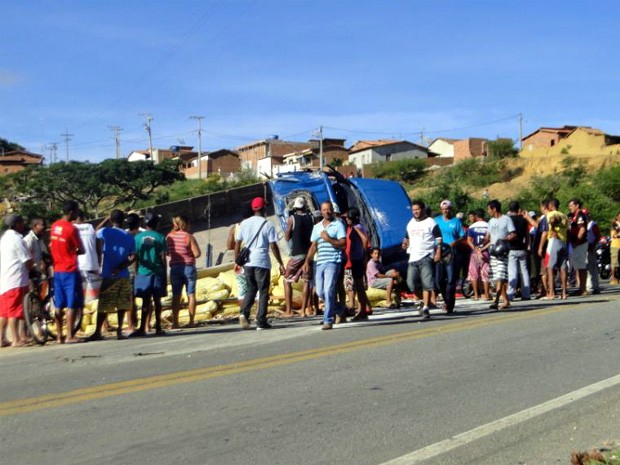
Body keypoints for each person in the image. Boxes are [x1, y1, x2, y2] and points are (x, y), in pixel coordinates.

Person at [235, 197, 285, 330]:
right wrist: (280, 262)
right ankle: (261, 320)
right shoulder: (268, 224)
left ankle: (244, 313)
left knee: (251, 288)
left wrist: (237, 261)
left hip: (248, 262)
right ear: (263, 208)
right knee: (263, 291)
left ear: (253, 208)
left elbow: (238, 243)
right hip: (261, 260)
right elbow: (273, 245)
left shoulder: (244, 223)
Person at [88, 210, 136, 340]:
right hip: (123, 274)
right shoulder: (129, 236)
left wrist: (105, 220)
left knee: (104, 305)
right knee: (121, 305)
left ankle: (98, 331)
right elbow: (132, 257)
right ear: (123, 220)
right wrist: (121, 267)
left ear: (111, 220)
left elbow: (93, 232)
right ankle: (119, 330)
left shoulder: (105, 231)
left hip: (108, 273)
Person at [302, 201, 346, 330]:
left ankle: (328, 319)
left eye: (329, 209)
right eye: (324, 209)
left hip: (333, 261)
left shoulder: (338, 225)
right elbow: (313, 246)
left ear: (332, 210)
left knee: (328, 290)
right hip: (320, 262)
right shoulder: (317, 227)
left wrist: (329, 239)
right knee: (320, 291)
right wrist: (307, 262)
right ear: (321, 211)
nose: (327, 211)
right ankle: (339, 308)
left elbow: (343, 244)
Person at [49, 200, 85, 344]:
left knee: (58, 305)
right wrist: (74, 251)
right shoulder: (71, 229)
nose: (77, 214)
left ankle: (59, 336)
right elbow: (81, 249)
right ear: (71, 212)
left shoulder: (54, 226)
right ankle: (70, 335)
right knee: (72, 304)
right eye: (76, 211)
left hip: (57, 270)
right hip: (70, 269)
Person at [402, 200, 442, 319]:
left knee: (426, 284)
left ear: (423, 209)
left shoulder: (431, 222)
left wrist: (438, 251)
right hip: (413, 257)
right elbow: (406, 238)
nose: (415, 212)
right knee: (411, 284)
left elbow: (439, 238)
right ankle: (426, 301)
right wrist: (405, 243)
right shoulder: (410, 223)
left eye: (417, 209)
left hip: (426, 256)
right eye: (413, 210)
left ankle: (425, 307)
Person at [0, 214, 35, 347]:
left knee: (4, 312)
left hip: (4, 280)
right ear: (17, 224)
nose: (23, 225)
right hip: (16, 279)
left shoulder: (4, 239)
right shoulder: (17, 239)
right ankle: (16, 339)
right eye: (21, 223)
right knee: (15, 311)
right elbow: (27, 259)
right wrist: (33, 267)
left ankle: (2, 338)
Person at [131, 212, 167, 337]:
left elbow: (135, 257)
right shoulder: (160, 237)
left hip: (142, 272)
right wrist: (165, 273)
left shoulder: (138, 238)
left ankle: (142, 327)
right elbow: (163, 258)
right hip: (157, 272)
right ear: (156, 223)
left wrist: (135, 272)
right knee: (157, 301)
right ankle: (158, 326)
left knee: (145, 301)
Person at [167, 215, 201, 328]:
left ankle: (175, 323)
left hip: (175, 268)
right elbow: (197, 253)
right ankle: (191, 321)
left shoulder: (169, 237)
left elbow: (167, 253)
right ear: (186, 224)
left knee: (176, 295)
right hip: (188, 267)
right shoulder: (188, 236)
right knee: (191, 294)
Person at [283, 196, 314, 318]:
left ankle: (289, 310)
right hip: (309, 254)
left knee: (286, 280)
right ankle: (304, 310)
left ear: (295, 207)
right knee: (306, 281)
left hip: (297, 254)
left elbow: (287, 236)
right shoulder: (311, 218)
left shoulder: (292, 219)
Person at [483, 200, 516, 310]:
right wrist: (480, 245)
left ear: (494, 209)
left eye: (489, 209)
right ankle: (506, 300)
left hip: (502, 252)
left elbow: (513, 234)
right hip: (493, 251)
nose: (488, 211)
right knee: (497, 277)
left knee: (501, 276)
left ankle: (496, 300)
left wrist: (505, 239)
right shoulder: (491, 221)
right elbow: (488, 236)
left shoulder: (507, 219)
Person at [434, 199, 465, 313]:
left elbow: (462, 236)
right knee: (439, 280)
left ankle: (450, 305)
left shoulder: (456, 221)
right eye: (443, 209)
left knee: (451, 279)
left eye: (447, 209)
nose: (445, 211)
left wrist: (455, 242)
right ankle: (446, 300)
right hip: (439, 252)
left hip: (451, 253)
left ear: (450, 209)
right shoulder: (436, 221)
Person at [342, 207, 371, 321]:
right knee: (357, 287)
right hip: (354, 259)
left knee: (359, 287)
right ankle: (362, 310)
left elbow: (365, 240)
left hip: (356, 259)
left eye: (348, 217)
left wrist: (364, 255)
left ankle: (362, 311)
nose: (347, 219)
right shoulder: (352, 227)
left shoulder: (356, 227)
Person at [74, 210, 101, 304]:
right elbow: (98, 246)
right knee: (95, 300)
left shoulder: (72, 228)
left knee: (81, 299)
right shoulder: (90, 227)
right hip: (93, 265)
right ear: (83, 218)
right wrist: (99, 263)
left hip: (79, 267)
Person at [544, 198, 569, 299]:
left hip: (554, 241)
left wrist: (553, 229)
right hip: (564, 241)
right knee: (563, 267)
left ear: (551, 205)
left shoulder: (551, 214)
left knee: (550, 267)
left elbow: (552, 220)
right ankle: (564, 292)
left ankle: (551, 293)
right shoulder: (564, 215)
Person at [507, 201, 531, 300]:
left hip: (511, 248)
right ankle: (526, 294)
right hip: (522, 247)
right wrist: (527, 246)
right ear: (518, 209)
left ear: (509, 209)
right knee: (524, 272)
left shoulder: (508, 220)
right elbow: (527, 234)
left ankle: (510, 294)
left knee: (513, 272)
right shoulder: (523, 220)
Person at [466, 209, 491, 301]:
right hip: (485, 251)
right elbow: (491, 240)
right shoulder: (488, 225)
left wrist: (475, 249)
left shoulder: (472, 227)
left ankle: (476, 295)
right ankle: (487, 294)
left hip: (474, 252)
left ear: (476, 217)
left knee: (474, 273)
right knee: (485, 273)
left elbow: (469, 240)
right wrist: (482, 249)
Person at [567, 198, 589, 296]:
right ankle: (581, 287)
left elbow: (582, 229)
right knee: (579, 267)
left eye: (571, 205)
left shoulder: (580, 215)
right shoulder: (575, 216)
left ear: (577, 205)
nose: (570, 208)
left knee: (581, 266)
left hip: (580, 244)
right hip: (577, 244)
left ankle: (583, 288)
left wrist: (577, 241)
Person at [584, 210, 601, 294]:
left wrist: (593, 245)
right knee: (589, 268)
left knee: (591, 268)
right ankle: (593, 286)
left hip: (591, 247)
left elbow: (598, 236)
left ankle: (591, 287)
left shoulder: (593, 224)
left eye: (586, 215)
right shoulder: (585, 225)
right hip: (586, 247)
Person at [609, 211, 620, 285]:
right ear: (617, 217)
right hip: (615, 245)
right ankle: (613, 277)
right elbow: (614, 235)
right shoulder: (614, 224)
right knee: (614, 262)